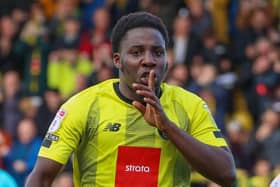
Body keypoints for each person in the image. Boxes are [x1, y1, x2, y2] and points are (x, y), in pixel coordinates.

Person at [25, 12, 236, 187]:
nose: (149, 61)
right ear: (117, 60)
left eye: (157, 52)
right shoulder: (83, 105)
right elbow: (41, 177)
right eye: (136, 53)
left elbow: (227, 174)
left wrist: (169, 128)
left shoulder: (191, 106)